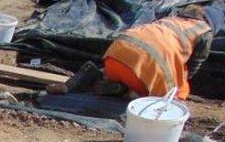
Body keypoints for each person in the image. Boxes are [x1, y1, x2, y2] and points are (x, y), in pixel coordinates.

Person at [62, 5, 222, 99]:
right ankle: (130, 93)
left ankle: (100, 78)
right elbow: (194, 64)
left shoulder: (169, 19)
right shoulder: (204, 31)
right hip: (147, 67)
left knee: (131, 67)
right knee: (176, 95)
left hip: (115, 56)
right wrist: (180, 83)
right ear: (212, 24)